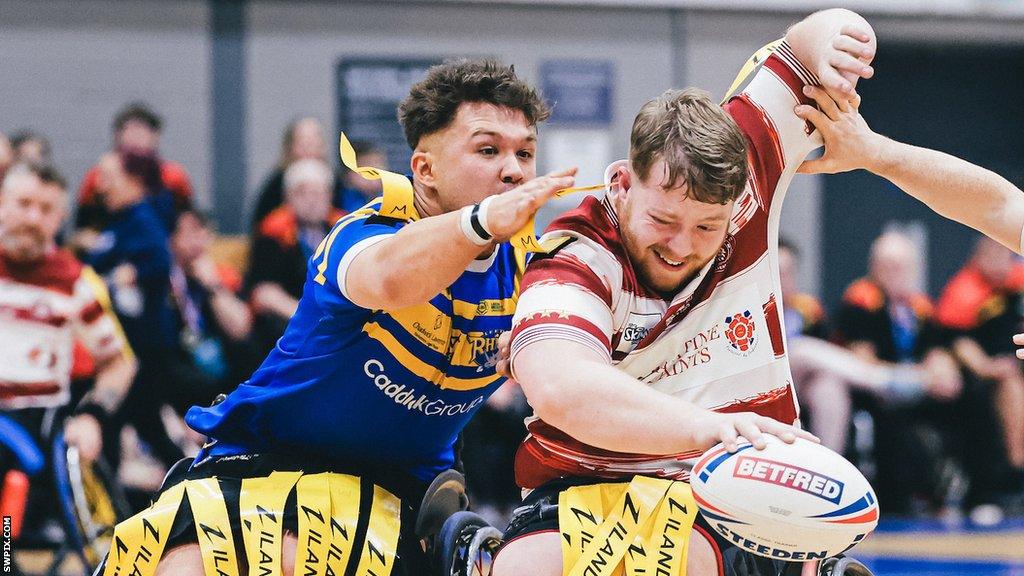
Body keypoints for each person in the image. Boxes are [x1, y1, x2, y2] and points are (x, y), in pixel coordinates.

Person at [494, 6, 1024, 574]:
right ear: (623, 183)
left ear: (737, 199)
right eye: (663, 221)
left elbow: (817, 35)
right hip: (594, 480)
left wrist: (839, 56)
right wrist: (712, 429)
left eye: (705, 227)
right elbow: (562, 388)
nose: (680, 245)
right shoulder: (580, 256)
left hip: (744, 494)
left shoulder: (748, 171)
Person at [102, 59, 574, 576]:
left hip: (403, 498)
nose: (513, 170)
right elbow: (394, 279)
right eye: (488, 150)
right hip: (267, 469)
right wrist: (480, 223)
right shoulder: (363, 233)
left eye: (525, 153)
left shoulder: (534, 271)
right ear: (425, 170)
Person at [0, 161, 136, 537]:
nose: (32, 218)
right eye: (23, 203)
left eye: (45, 210)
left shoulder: (75, 283)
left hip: (33, 423)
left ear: (60, 218)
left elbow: (119, 363)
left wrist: (92, 415)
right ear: (2, 203)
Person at [246, 158, 344, 353]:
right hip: (289, 318)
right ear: (288, 197)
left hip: (333, 317)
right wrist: (307, 316)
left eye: (318, 192)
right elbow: (264, 292)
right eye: (302, 192)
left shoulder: (342, 229)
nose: (312, 200)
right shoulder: (272, 232)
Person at [77, 103, 194, 230]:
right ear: (118, 136)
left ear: (155, 136)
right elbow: (84, 224)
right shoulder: (97, 177)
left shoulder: (173, 176)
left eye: (142, 131)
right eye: (130, 131)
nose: (136, 138)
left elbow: (186, 220)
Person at [250, 117, 352, 226]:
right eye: (302, 141)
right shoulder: (276, 185)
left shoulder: (336, 182)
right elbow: (262, 227)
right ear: (289, 146)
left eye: (314, 140)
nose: (308, 146)